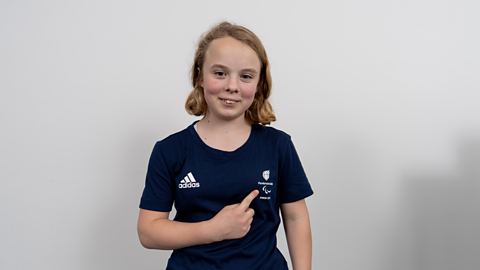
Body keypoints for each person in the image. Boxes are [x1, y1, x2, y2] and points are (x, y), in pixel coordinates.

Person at [137, 21, 313, 270]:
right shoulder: (170, 150)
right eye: (220, 73)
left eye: (245, 76)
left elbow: (296, 218)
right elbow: (148, 231)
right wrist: (214, 230)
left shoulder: (278, 146)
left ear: (260, 83)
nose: (232, 86)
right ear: (199, 76)